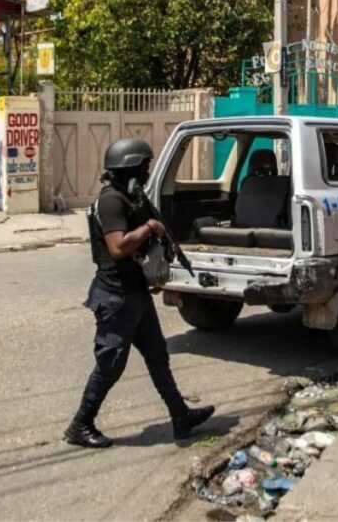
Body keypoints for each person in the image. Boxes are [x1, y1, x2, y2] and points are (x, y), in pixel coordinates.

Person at [64, 138, 214, 448]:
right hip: (116, 297)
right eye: (144, 167)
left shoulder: (131, 196)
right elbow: (118, 247)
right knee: (111, 365)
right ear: (130, 167)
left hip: (136, 295)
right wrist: (149, 228)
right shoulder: (111, 201)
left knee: (158, 357)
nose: (147, 172)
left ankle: (180, 416)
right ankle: (80, 424)